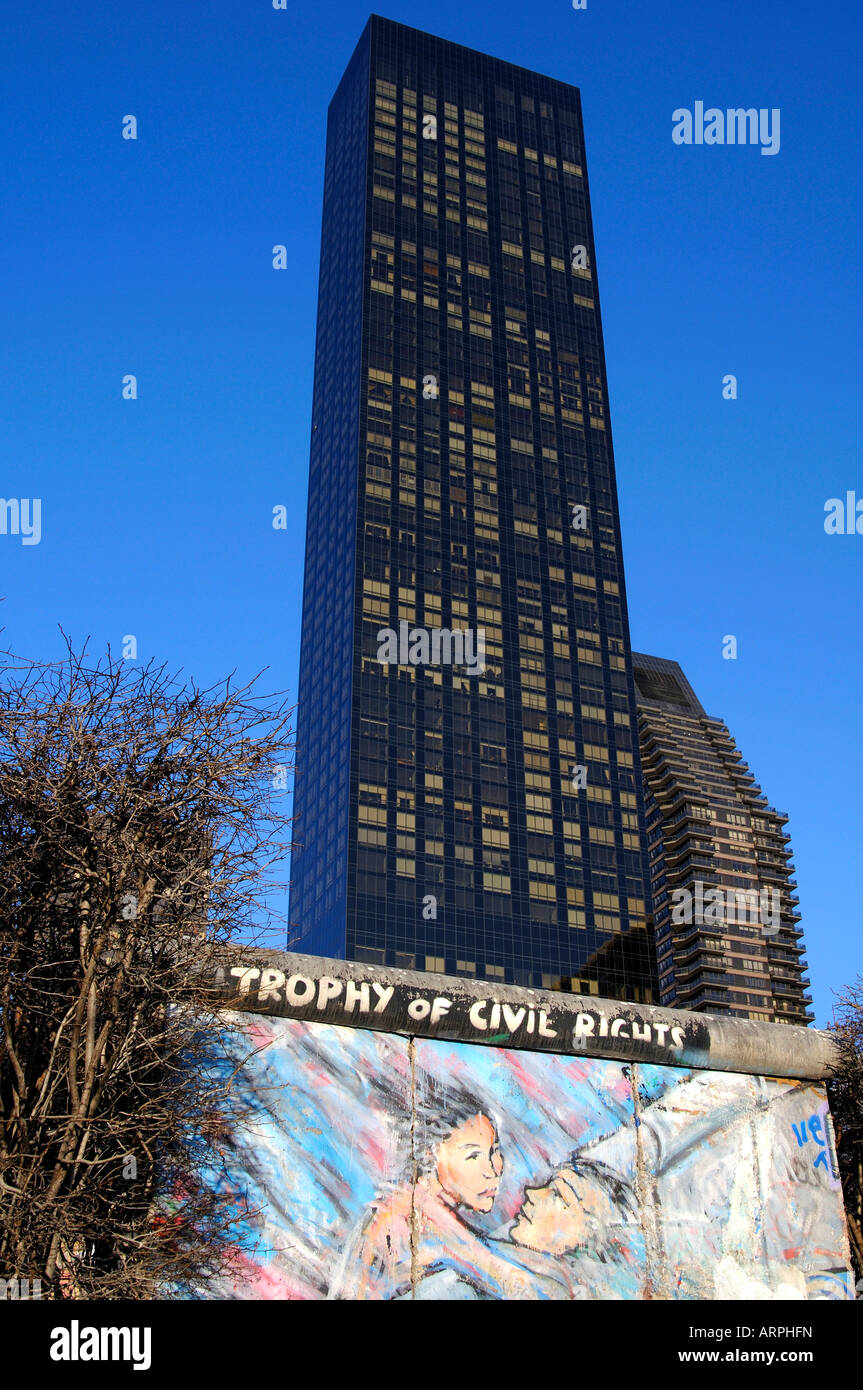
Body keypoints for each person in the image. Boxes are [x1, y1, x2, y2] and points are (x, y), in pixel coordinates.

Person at [329, 1080, 553, 1299]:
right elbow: (515, 1284)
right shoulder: (409, 1218)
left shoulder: (425, 1210)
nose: (493, 1169)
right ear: (431, 1154)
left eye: (494, 1151)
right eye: (473, 1155)